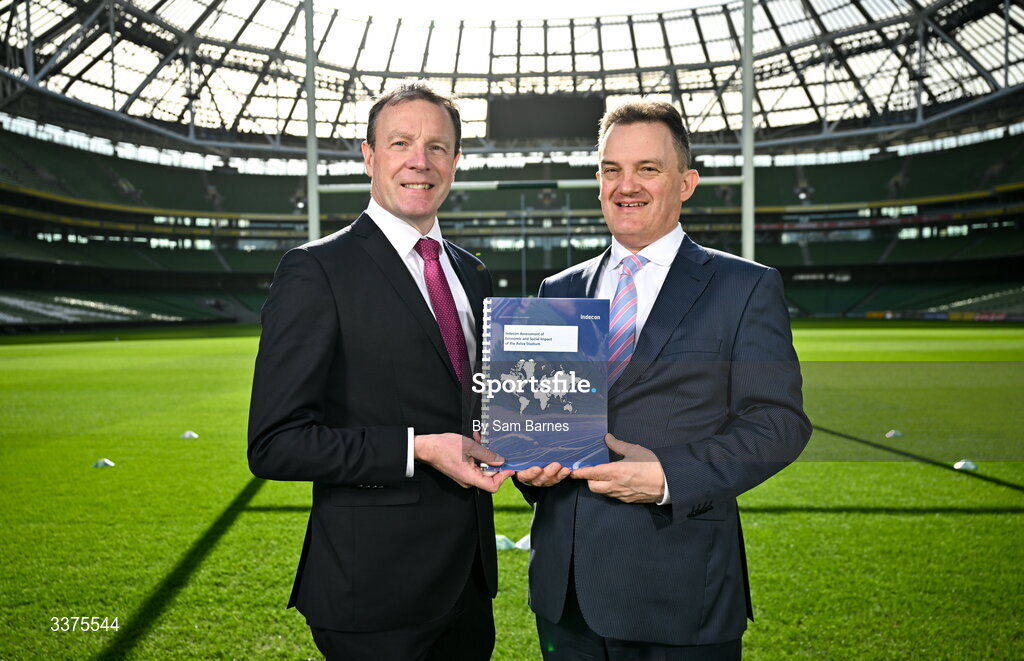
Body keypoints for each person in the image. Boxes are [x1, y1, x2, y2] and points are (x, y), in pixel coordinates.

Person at [516, 101, 812, 660]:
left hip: (679, 590)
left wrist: (669, 477)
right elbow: (542, 423)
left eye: (647, 169)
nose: (626, 185)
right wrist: (529, 466)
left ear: (686, 183)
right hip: (565, 596)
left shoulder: (743, 286)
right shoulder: (559, 290)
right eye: (611, 169)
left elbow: (779, 423)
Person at [248, 82, 512, 661]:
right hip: (372, 593)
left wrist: (537, 437)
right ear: (369, 157)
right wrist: (418, 449)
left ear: (456, 162)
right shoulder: (316, 270)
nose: (421, 161)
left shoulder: (473, 274)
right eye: (401, 143)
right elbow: (275, 444)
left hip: (468, 588)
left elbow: (477, 407)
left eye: (437, 147)